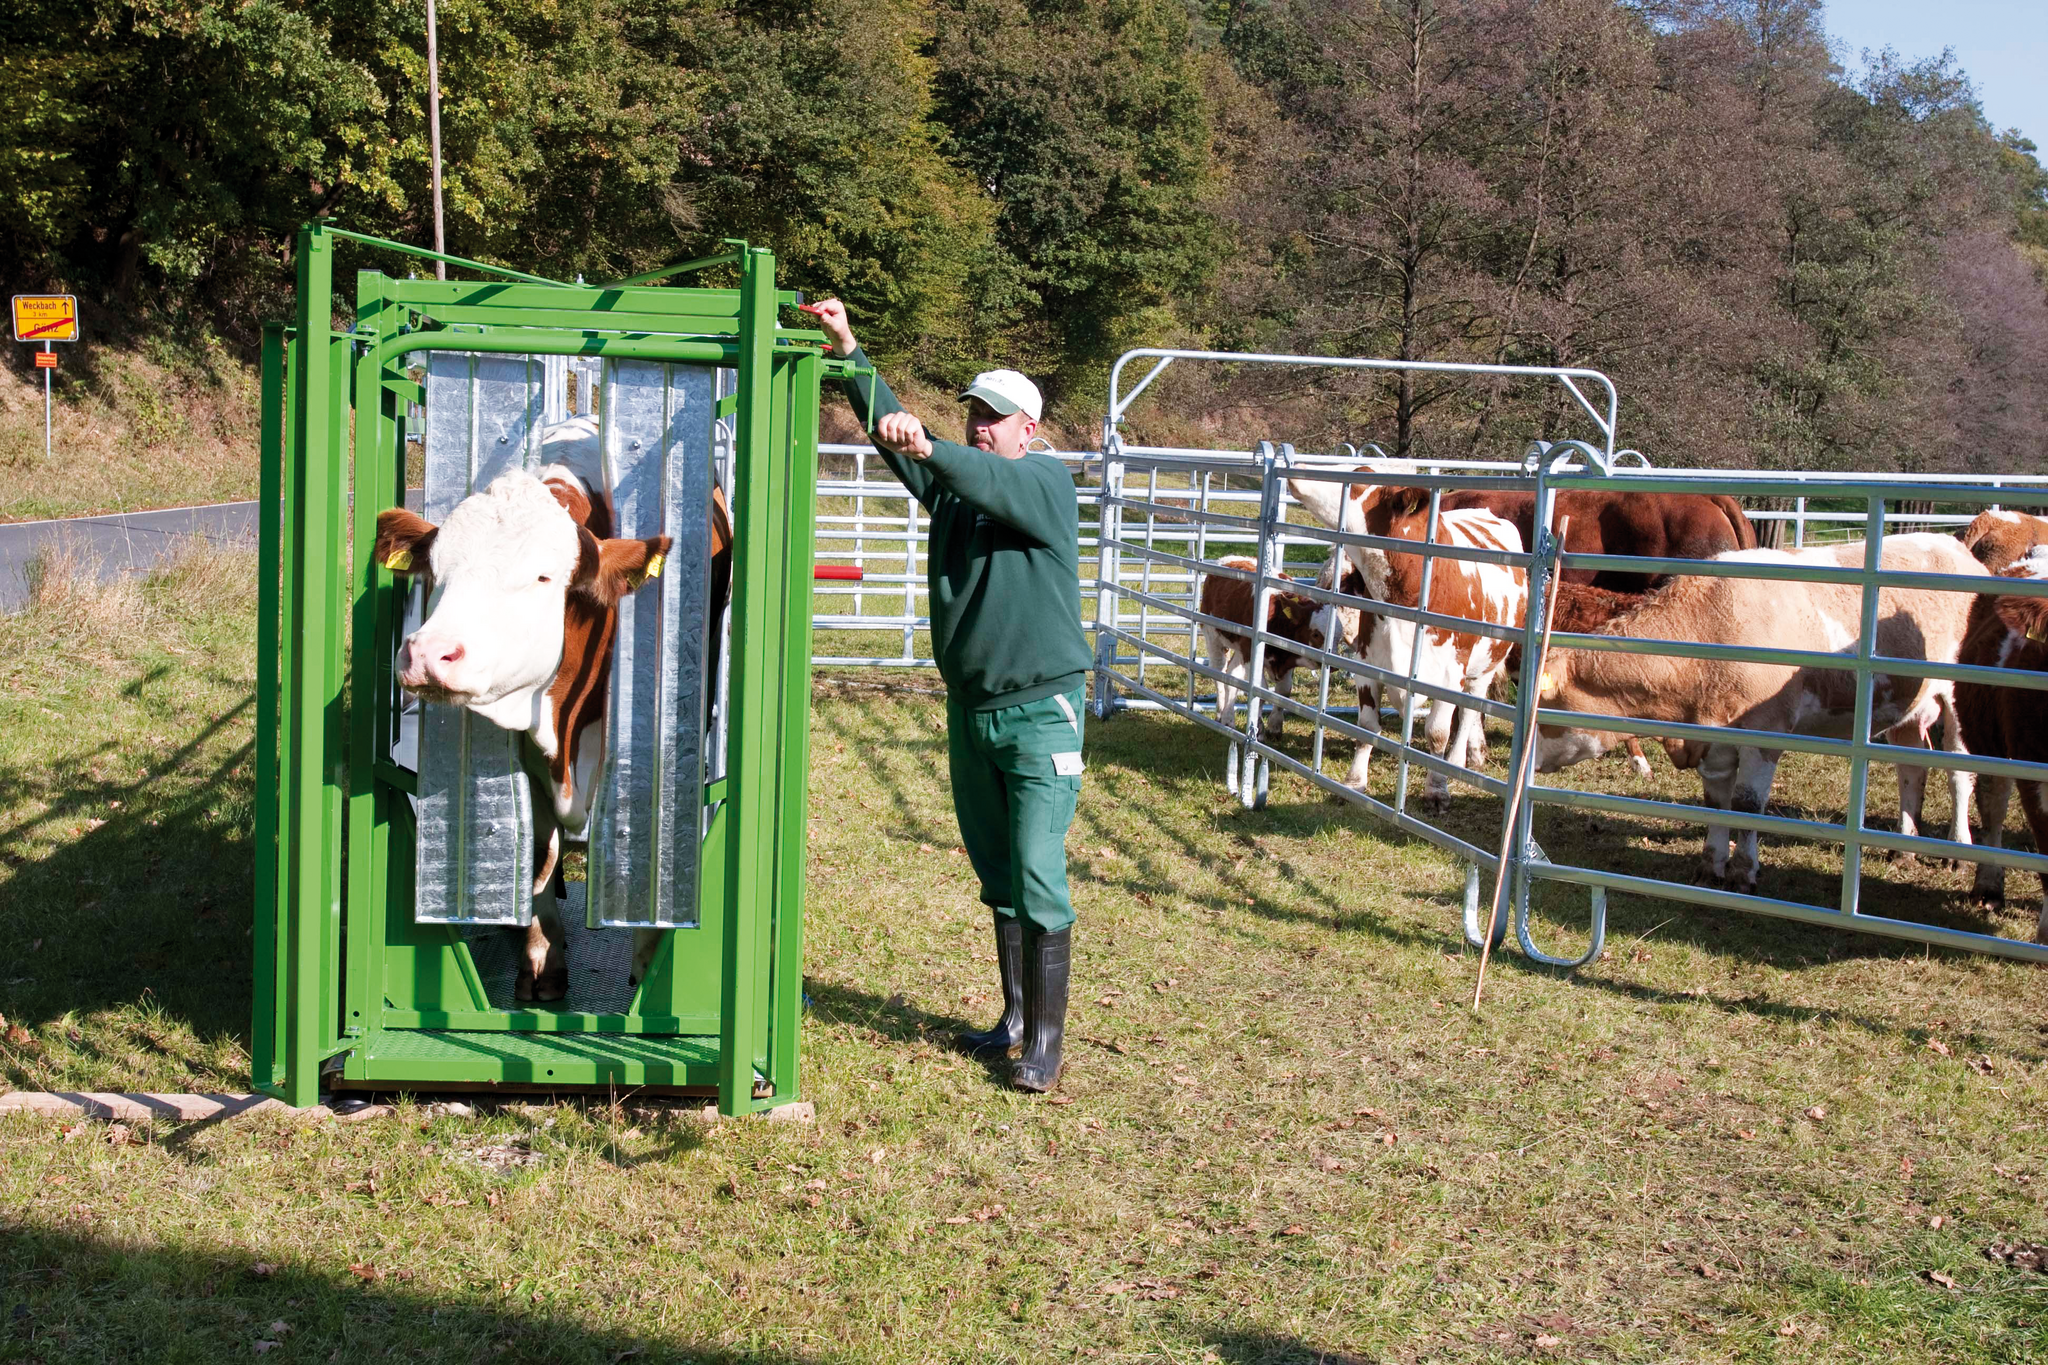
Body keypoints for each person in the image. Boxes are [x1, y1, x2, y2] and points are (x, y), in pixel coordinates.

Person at [804, 298, 1090, 1092]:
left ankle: (1046, 1043)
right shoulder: (960, 490)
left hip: (1040, 709)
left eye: (995, 416)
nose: (982, 427)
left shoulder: (1041, 483)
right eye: (974, 415)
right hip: (973, 711)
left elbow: (977, 470)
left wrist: (933, 444)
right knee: (998, 870)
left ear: (1029, 427)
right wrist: (852, 352)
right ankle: (1015, 1018)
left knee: (1036, 869)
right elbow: (908, 447)